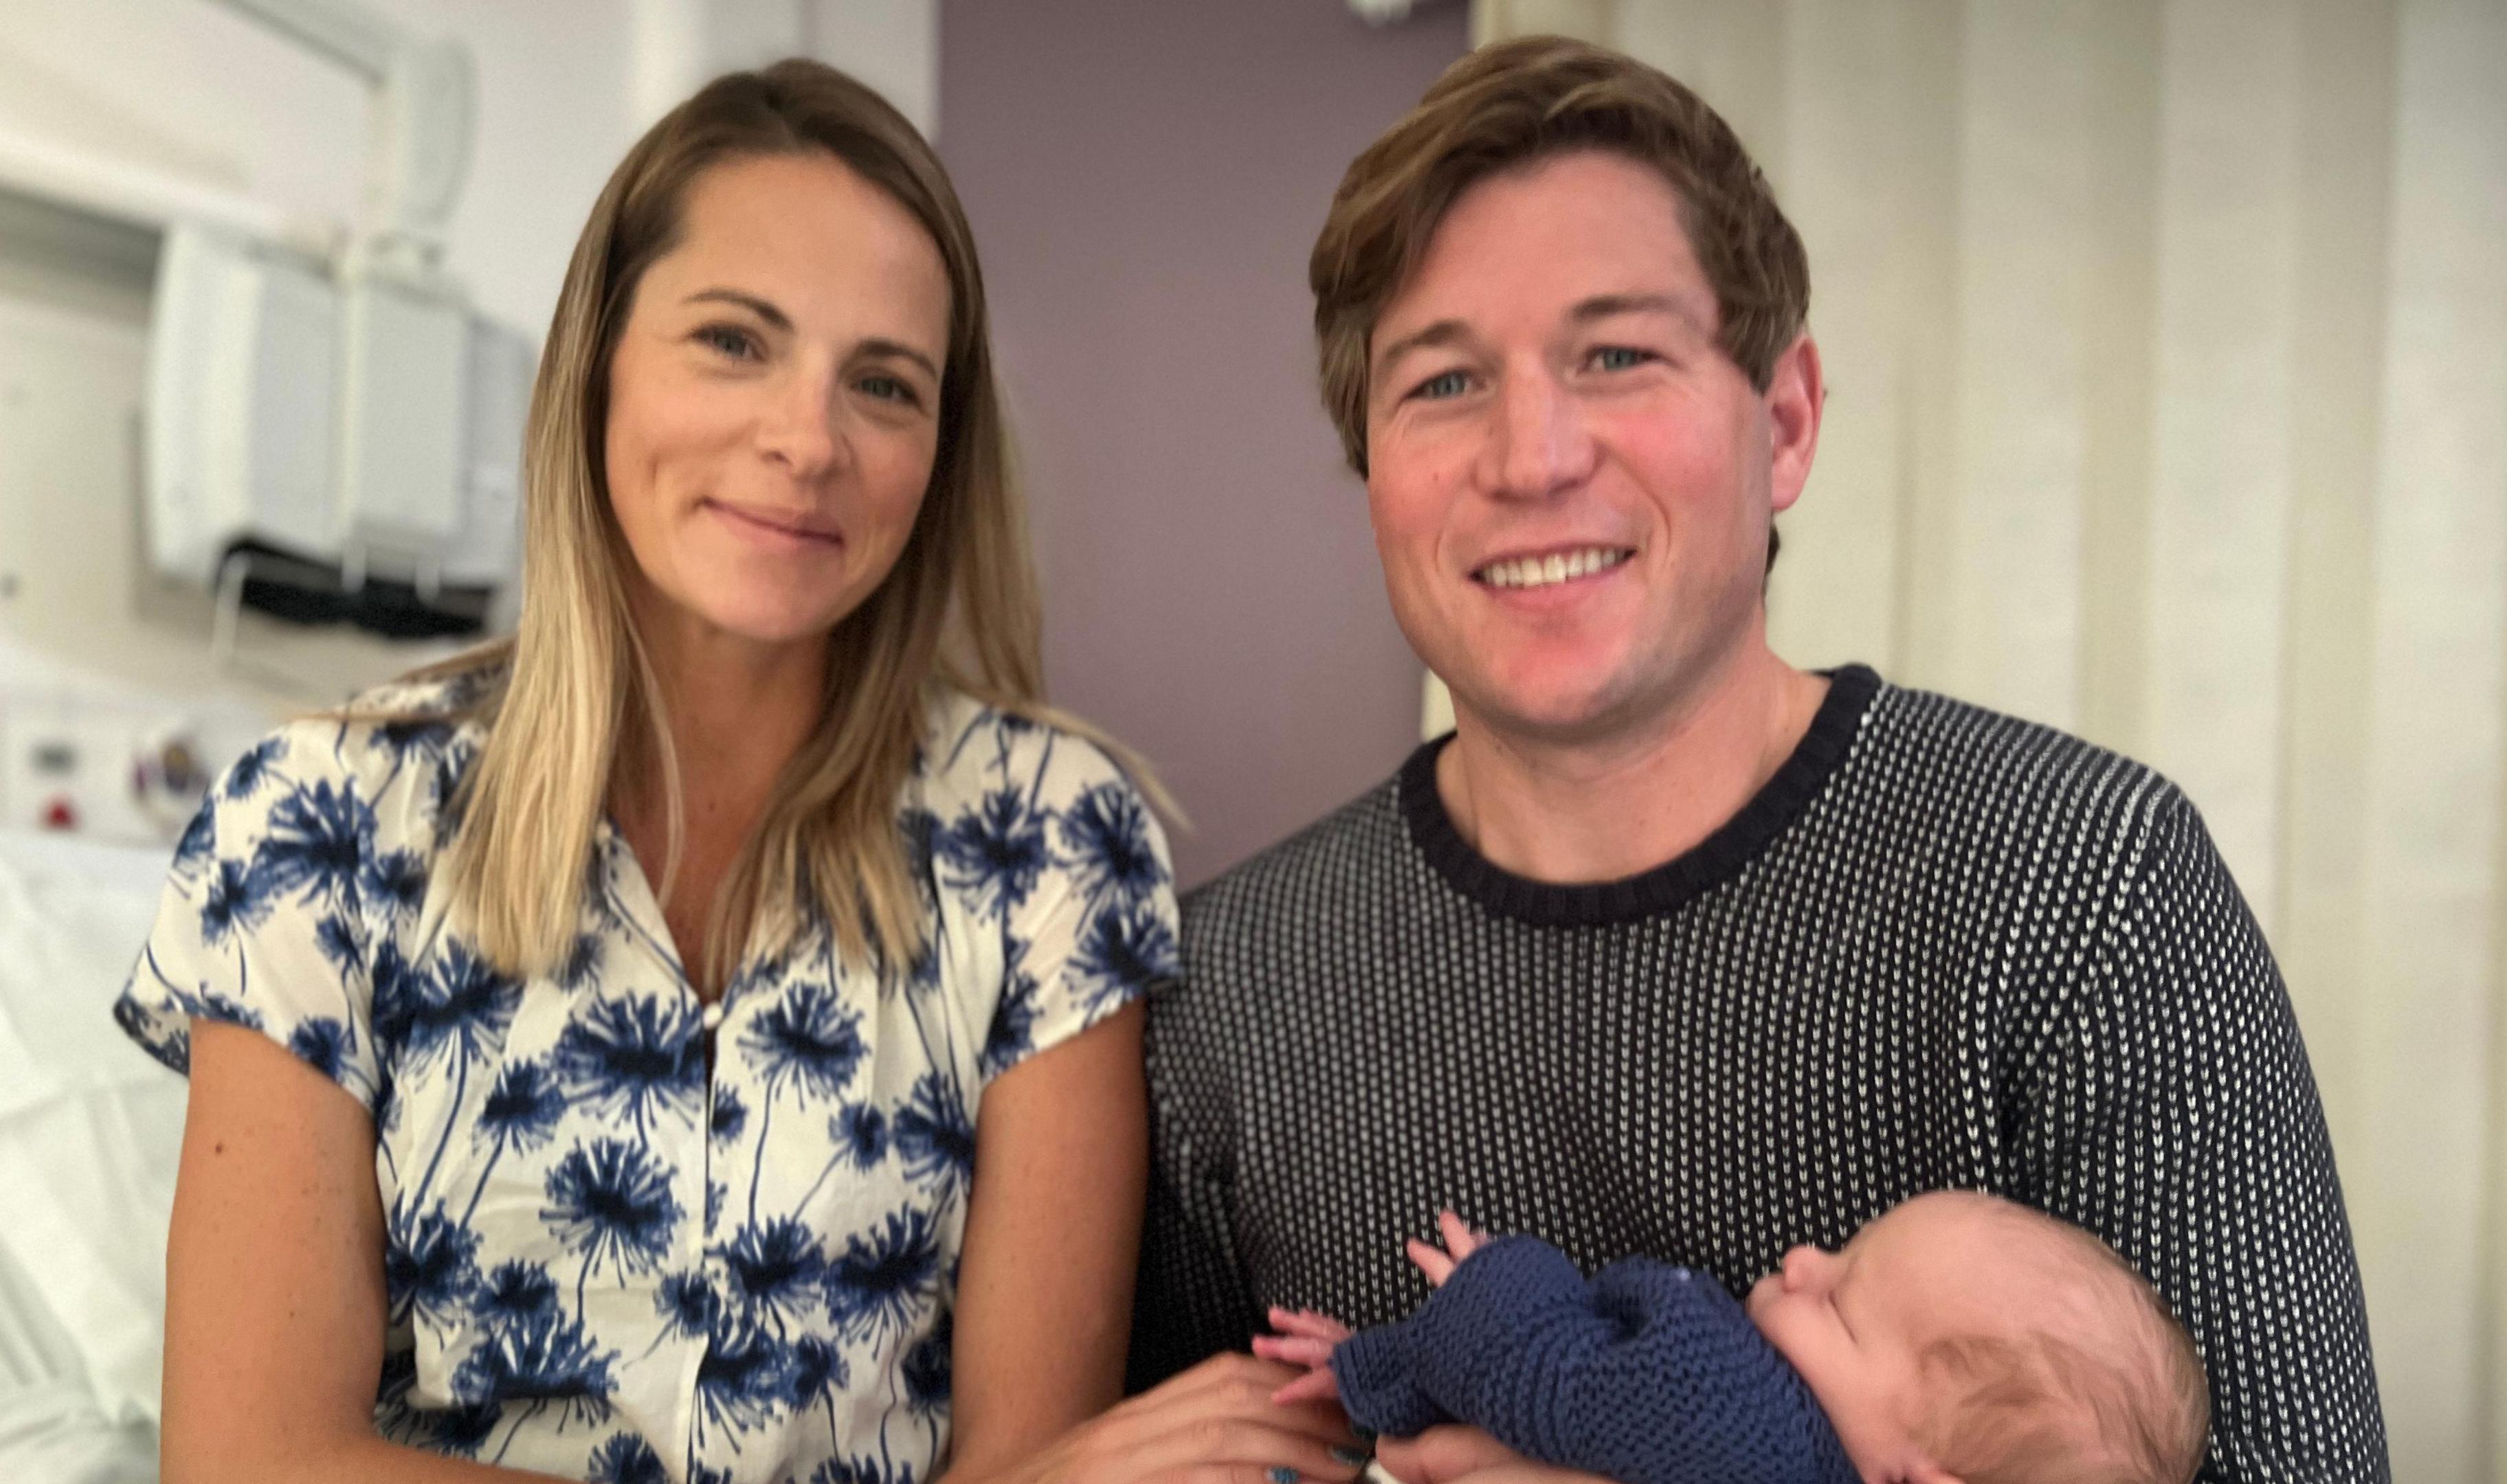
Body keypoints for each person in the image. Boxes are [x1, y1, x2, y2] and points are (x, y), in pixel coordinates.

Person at [1131, 36, 2388, 1484]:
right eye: (1442, 383)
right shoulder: (1229, 991)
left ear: (1783, 424)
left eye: (1617, 356)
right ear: (1374, 471)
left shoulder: (2085, 888)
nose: (1531, 456)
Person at [117, 60, 1355, 1484]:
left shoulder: (1048, 843)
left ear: (940, 457)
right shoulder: (321, 823)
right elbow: (248, 1462)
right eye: (733, 341)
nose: (806, 440)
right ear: (596, 369)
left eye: (883, 384)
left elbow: (1030, 1462)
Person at [1258, 1198, 2209, 1484]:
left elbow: (1549, 1379)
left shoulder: (1739, 1417)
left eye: (1838, 1303)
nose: (1800, 1259)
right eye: (1844, 1252)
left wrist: (1486, 1288)